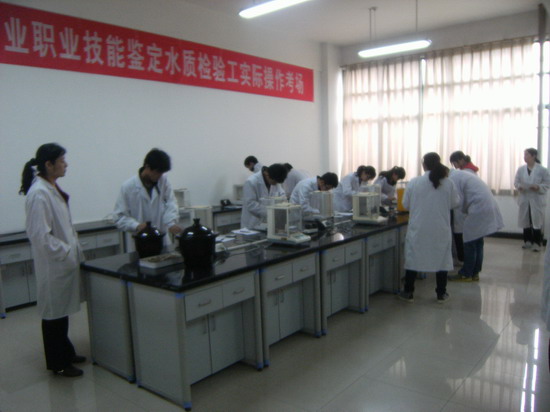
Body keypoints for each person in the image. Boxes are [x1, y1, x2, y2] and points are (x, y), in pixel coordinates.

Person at [20, 143, 86, 377]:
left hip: (61, 263)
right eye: (61, 161)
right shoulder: (39, 193)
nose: (65, 164)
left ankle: (66, 352)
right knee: (53, 315)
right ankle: (58, 363)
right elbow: (40, 235)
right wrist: (65, 252)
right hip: (54, 264)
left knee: (61, 312)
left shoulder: (50, 187)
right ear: (48, 165)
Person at [399, 153, 460, 303]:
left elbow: (405, 204)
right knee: (441, 259)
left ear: (424, 165)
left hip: (419, 228)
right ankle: (441, 293)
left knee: (414, 258)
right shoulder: (448, 183)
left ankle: (408, 292)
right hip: (440, 228)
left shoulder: (414, 182)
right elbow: (455, 203)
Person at [113, 149, 181, 252]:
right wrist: (136, 226)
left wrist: (171, 222)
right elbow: (119, 217)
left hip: (161, 239)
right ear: (147, 167)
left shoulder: (163, 181)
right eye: (157, 172)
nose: (160, 176)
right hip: (139, 242)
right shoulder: (128, 187)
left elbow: (171, 203)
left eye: (162, 173)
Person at [448, 170, 504, 281]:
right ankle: (475, 273)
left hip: (478, 209)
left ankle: (466, 274)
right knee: (478, 242)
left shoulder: (452, 179)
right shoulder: (460, 174)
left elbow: (458, 201)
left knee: (469, 242)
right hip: (484, 207)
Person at [514, 148, 550, 252]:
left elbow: (547, 183)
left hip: (537, 199)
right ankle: (527, 241)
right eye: (524, 155)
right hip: (525, 198)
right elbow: (516, 182)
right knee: (525, 220)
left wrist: (538, 187)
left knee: (536, 221)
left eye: (527, 155)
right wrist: (519, 186)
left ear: (533, 156)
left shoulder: (542, 170)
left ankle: (537, 243)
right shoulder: (521, 169)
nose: (524, 157)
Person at [449, 151, 479, 264]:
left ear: (461, 160)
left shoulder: (463, 173)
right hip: (470, 207)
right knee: (470, 235)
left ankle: (461, 258)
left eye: (454, 163)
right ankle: (468, 259)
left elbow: (458, 195)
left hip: (463, 208)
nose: (454, 166)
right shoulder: (470, 171)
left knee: (460, 232)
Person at [241, 163, 288, 229]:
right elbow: (251, 204)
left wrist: (285, 206)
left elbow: (282, 196)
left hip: (269, 223)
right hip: (252, 223)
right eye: (275, 182)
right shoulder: (251, 182)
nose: (275, 184)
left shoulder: (275, 178)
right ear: (267, 174)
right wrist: (270, 212)